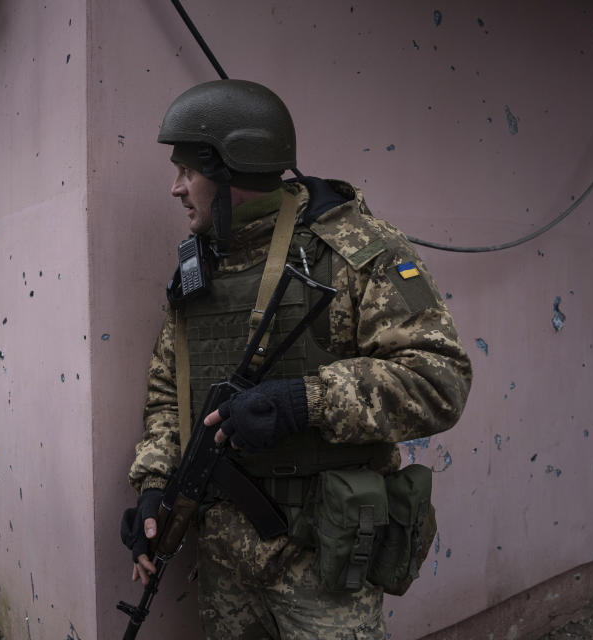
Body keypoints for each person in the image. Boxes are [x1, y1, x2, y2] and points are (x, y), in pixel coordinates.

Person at [122, 79, 472, 639]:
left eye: (187, 171)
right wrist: (155, 484)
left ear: (228, 171)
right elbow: (170, 393)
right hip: (224, 561)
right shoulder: (199, 269)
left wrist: (304, 401)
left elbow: (439, 379)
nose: (176, 189)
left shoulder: (355, 251)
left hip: (324, 559)